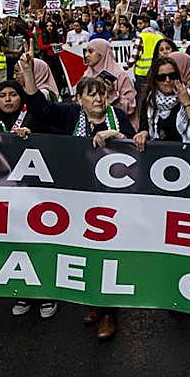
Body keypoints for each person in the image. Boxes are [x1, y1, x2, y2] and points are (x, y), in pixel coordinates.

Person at [26, 76, 135, 340]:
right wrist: (29, 74)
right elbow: (40, 109)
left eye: (101, 94)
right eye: (91, 94)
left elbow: (136, 147)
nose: (98, 99)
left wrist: (116, 135)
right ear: (79, 99)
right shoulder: (70, 115)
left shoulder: (117, 116)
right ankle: (95, 302)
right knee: (86, 250)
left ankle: (110, 311)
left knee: (108, 252)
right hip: (79, 197)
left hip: (112, 199)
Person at [133, 56, 190, 147]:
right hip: (156, 155)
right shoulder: (149, 99)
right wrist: (143, 133)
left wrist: (187, 103)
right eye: (162, 77)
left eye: (172, 76)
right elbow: (144, 128)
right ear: (155, 80)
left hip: (185, 154)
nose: (167, 80)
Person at [83, 38, 136, 116]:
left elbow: (131, 107)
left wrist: (112, 94)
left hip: (117, 124)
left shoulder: (120, 76)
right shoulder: (87, 75)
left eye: (91, 51)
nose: (86, 55)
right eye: (86, 51)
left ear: (102, 53)